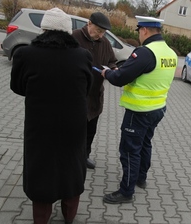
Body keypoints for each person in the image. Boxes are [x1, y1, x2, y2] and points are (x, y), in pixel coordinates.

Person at [10, 7, 93, 224]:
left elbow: (18, 87)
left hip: (40, 125)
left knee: (41, 168)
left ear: (43, 28)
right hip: (73, 126)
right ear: (67, 31)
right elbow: (87, 88)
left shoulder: (24, 54)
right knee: (72, 168)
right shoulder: (83, 56)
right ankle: (69, 216)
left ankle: (41, 218)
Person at [101, 15, 178, 204]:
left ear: (144, 30)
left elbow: (121, 77)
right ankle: (141, 178)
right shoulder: (170, 53)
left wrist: (107, 73)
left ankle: (126, 191)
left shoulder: (145, 52)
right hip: (158, 108)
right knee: (145, 143)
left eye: (139, 32)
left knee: (129, 150)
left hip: (139, 110)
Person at [72, 11, 117, 169]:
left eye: (103, 32)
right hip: (76, 96)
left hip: (95, 95)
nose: (100, 35)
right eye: (98, 30)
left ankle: (84, 156)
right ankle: (71, 158)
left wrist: (114, 69)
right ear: (88, 23)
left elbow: (111, 60)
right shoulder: (75, 37)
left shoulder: (104, 43)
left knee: (90, 131)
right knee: (75, 131)